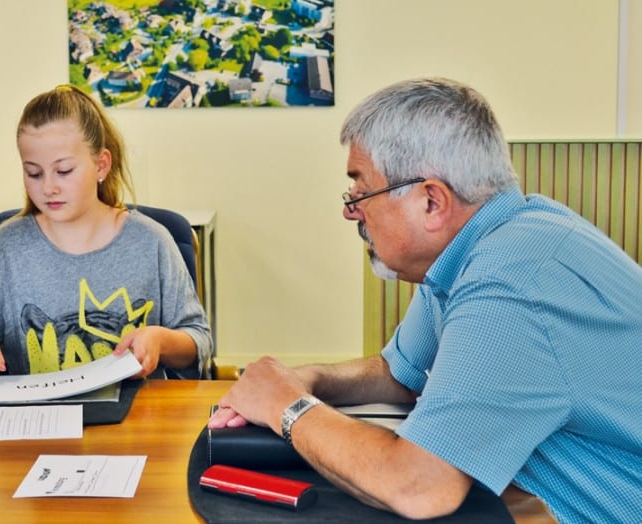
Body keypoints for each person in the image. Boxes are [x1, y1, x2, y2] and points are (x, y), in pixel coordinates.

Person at [209, 77, 642, 522]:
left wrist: (287, 406)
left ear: (431, 201)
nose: (349, 211)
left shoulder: (512, 282)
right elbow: (400, 373)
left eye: (361, 193)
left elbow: (418, 485)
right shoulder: (486, 244)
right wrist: (302, 379)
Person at [0, 84, 212, 388]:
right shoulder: (6, 248)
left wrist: (161, 340)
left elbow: (199, 341)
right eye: (34, 173)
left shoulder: (151, 242)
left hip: (133, 425)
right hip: (35, 426)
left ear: (101, 165)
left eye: (63, 171)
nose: (48, 187)